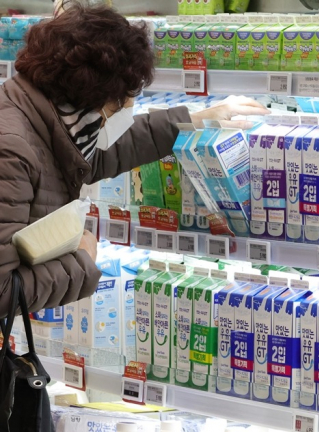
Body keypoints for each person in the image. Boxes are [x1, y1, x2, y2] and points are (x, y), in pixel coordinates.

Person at [0, 4, 269, 317]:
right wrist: (82, 262)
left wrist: (191, 121)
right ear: (89, 99)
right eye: (117, 110)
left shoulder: (49, 118)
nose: (119, 119)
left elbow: (94, 155)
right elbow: (2, 291)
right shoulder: (12, 150)